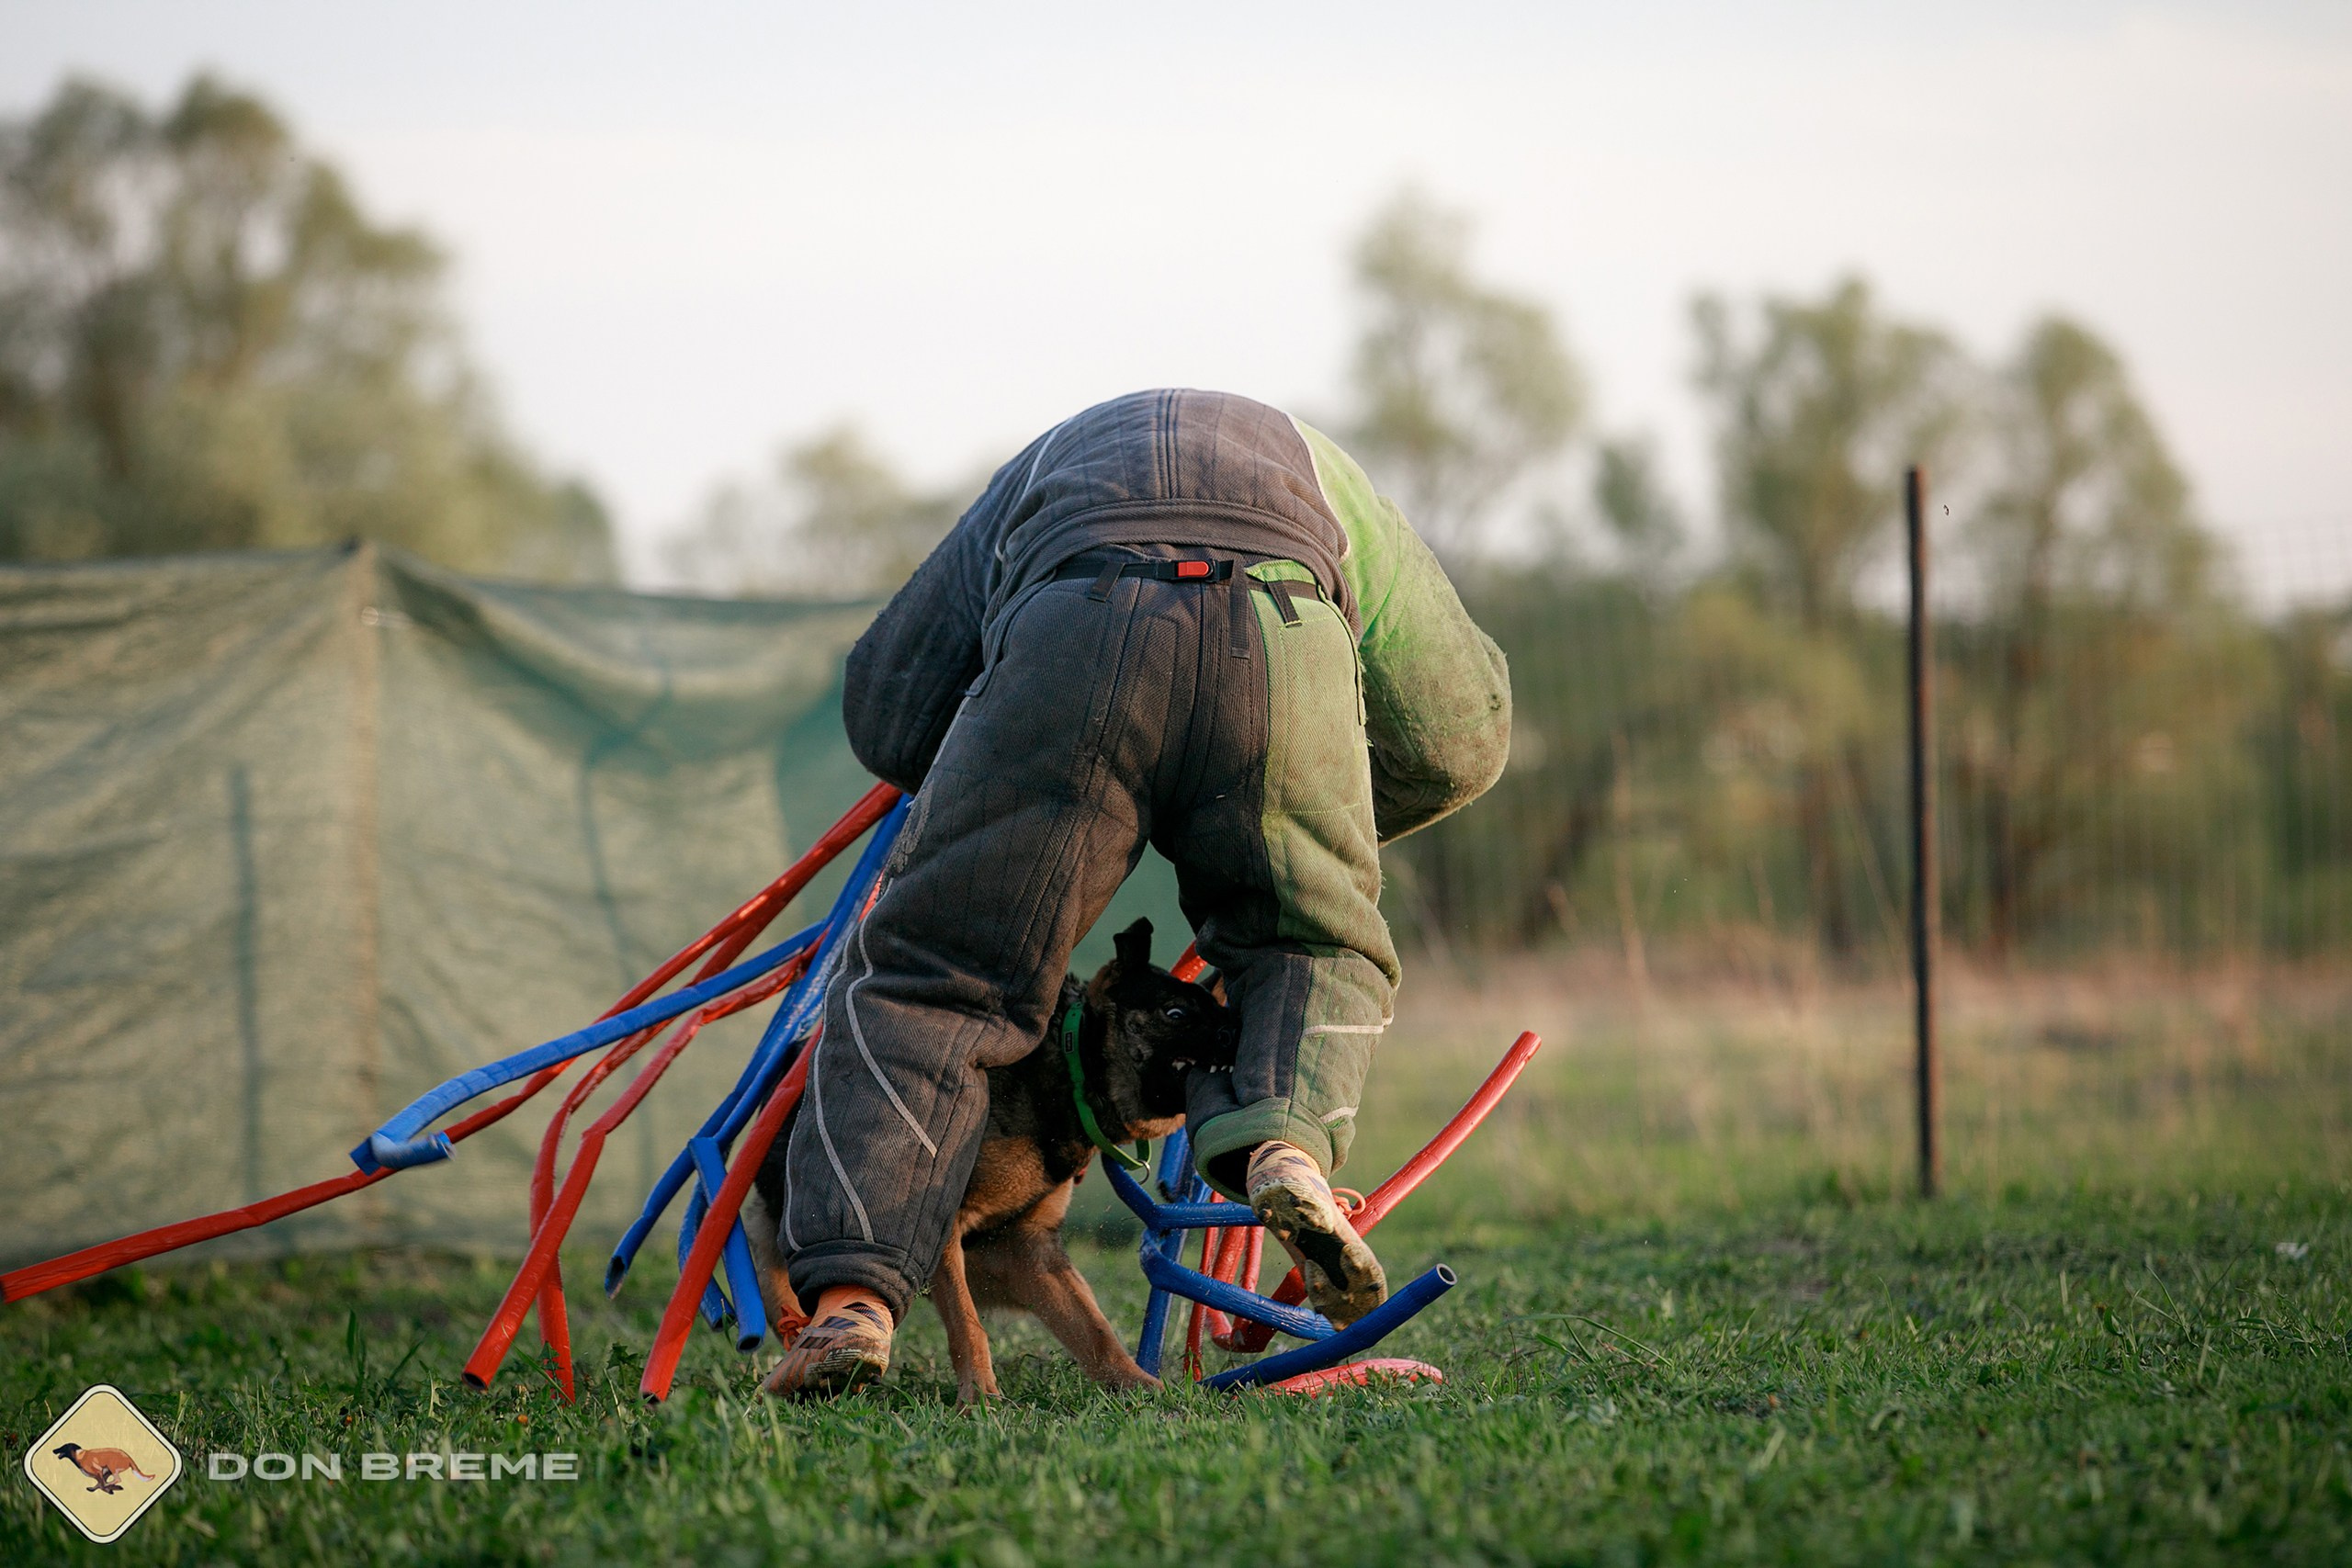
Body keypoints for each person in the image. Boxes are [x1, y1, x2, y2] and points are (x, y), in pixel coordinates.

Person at [764, 389, 1510, 1397]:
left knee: (930, 983)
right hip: (1286, 627)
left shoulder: (1043, 464)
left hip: (1075, 618)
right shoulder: (1331, 477)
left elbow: (888, 706)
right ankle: (1285, 1151)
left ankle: (855, 1301)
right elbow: (1464, 738)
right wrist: (1292, 833)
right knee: (1313, 948)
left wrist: (1013, 803)